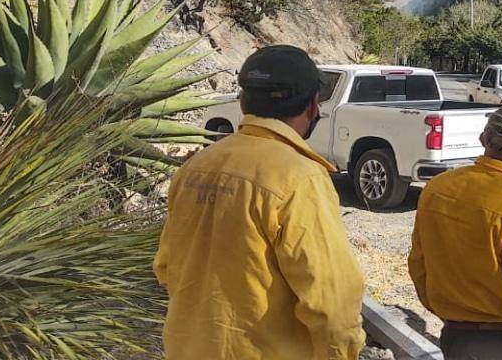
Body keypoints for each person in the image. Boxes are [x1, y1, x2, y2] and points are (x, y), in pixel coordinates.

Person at [154, 44, 365, 360]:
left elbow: (165, 267)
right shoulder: (300, 178)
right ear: (312, 106)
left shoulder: (195, 166)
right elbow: (331, 299)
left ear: (242, 103)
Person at [408, 101, 502, 360]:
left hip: (455, 338)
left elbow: (419, 264)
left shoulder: (437, 188)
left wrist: (450, 313)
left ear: (483, 140)